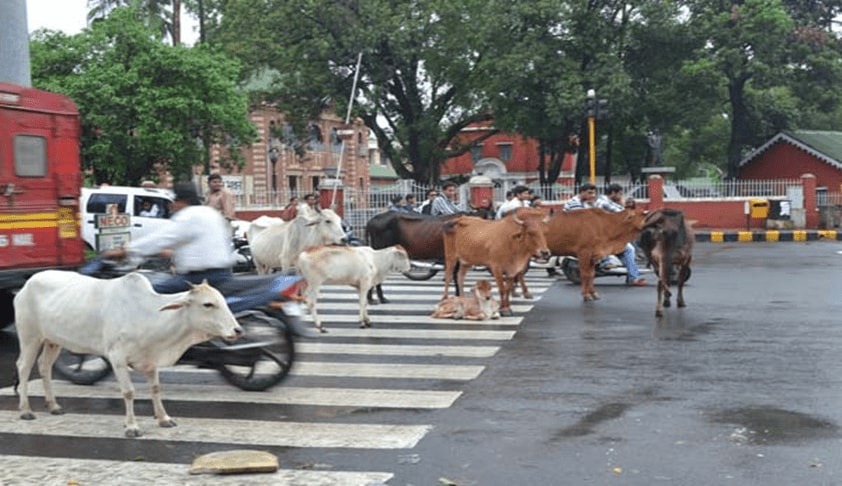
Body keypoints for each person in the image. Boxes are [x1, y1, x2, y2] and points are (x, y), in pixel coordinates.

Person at [102, 182, 235, 293]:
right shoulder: (209, 213)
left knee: (150, 294)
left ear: (182, 200)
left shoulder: (189, 215)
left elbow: (161, 238)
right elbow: (197, 245)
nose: (172, 205)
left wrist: (126, 250)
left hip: (198, 279)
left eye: (174, 201)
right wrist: (163, 252)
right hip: (221, 274)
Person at [594, 183, 647, 286]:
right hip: (603, 236)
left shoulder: (608, 201)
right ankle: (632, 277)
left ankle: (632, 274)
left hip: (608, 234)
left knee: (628, 248)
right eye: (620, 194)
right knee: (629, 249)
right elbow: (623, 212)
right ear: (613, 193)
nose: (621, 196)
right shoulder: (603, 202)